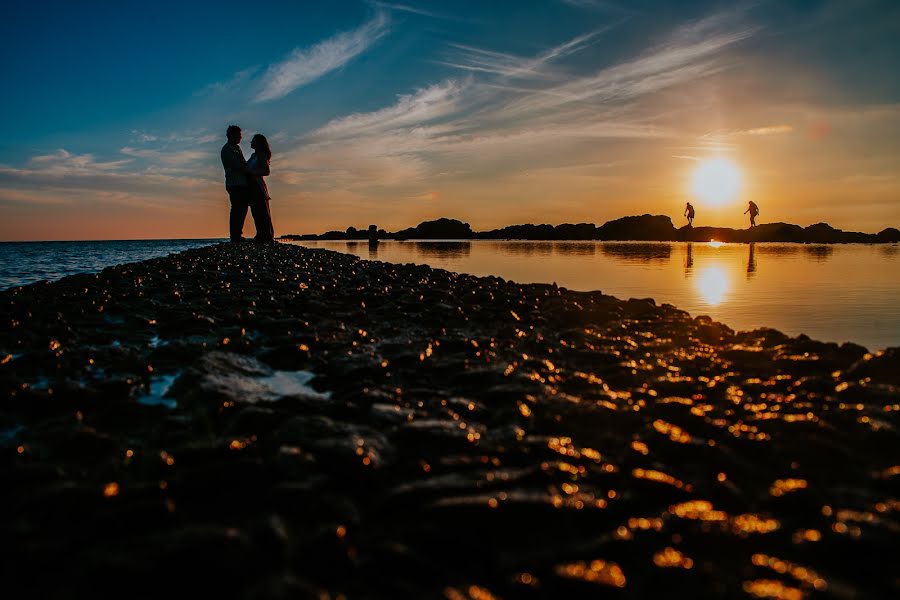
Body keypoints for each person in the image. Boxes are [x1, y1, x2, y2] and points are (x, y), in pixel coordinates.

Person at [220, 125, 251, 242]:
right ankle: (235, 235)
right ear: (232, 135)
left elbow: (242, 163)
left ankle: (238, 233)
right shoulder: (227, 149)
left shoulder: (237, 148)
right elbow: (237, 165)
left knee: (242, 209)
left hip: (242, 183)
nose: (241, 137)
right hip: (234, 183)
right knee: (237, 208)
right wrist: (249, 169)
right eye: (239, 135)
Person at [246, 134, 274, 242]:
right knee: (256, 211)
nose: (251, 142)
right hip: (251, 186)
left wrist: (251, 172)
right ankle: (260, 234)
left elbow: (266, 171)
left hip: (258, 185)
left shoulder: (262, 155)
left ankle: (267, 235)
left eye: (253, 141)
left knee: (262, 211)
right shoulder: (254, 155)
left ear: (258, 143)